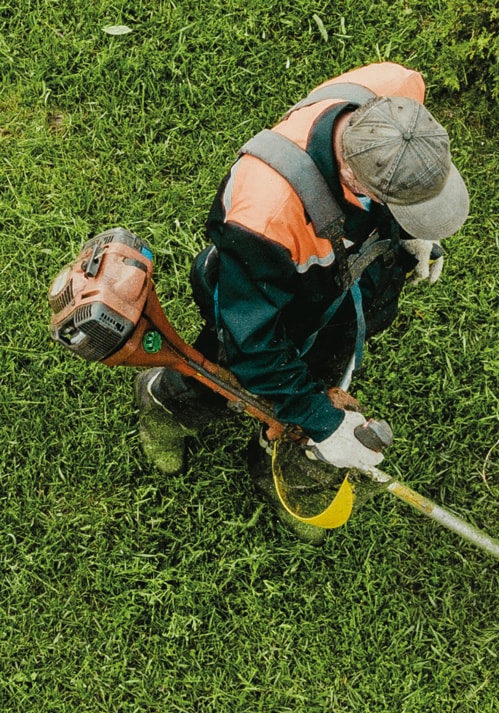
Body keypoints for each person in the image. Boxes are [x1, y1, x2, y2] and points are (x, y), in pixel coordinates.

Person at [135, 62, 469, 540]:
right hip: (263, 300)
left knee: (321, 376)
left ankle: (276, 453)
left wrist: (413, 235)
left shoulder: (397, 90)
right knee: (223, 377)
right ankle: (164, 406)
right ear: (353, 177)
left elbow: (406, 173)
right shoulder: (266, 215)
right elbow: (254, 341)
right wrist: (325, 422)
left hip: (342, 288)